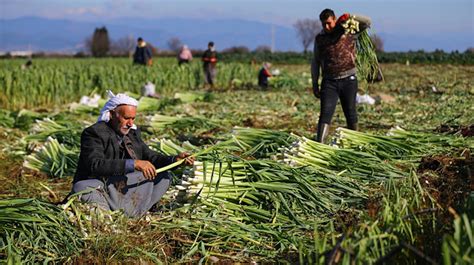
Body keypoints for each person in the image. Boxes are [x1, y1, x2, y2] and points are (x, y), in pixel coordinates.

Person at [71, 91, 194, 217]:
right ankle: (109, 214)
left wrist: (175, 159)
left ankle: (137, 211)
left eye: (133, 119)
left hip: (123, 185)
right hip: (102, 185)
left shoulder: (132, 134)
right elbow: (95, 164)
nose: (130, 124)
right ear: (112, 114)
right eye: (126, 118)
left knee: (163, 176)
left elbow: (151, 156)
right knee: (82, 187)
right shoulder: (94, 133)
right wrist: (133, 164)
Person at [311, 9, 371, 143]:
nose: (326, 27)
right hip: (329, 82)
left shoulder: (348, 29)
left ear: (335, 19)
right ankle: (320, 144)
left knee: (350, 113)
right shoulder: (320, 39)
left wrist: (350, 16)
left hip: (348, 80)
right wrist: (315, 83)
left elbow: (367, 22)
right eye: (323, 24)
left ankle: (354, 143)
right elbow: (315, 61)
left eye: (329, 23)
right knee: (325, 114)